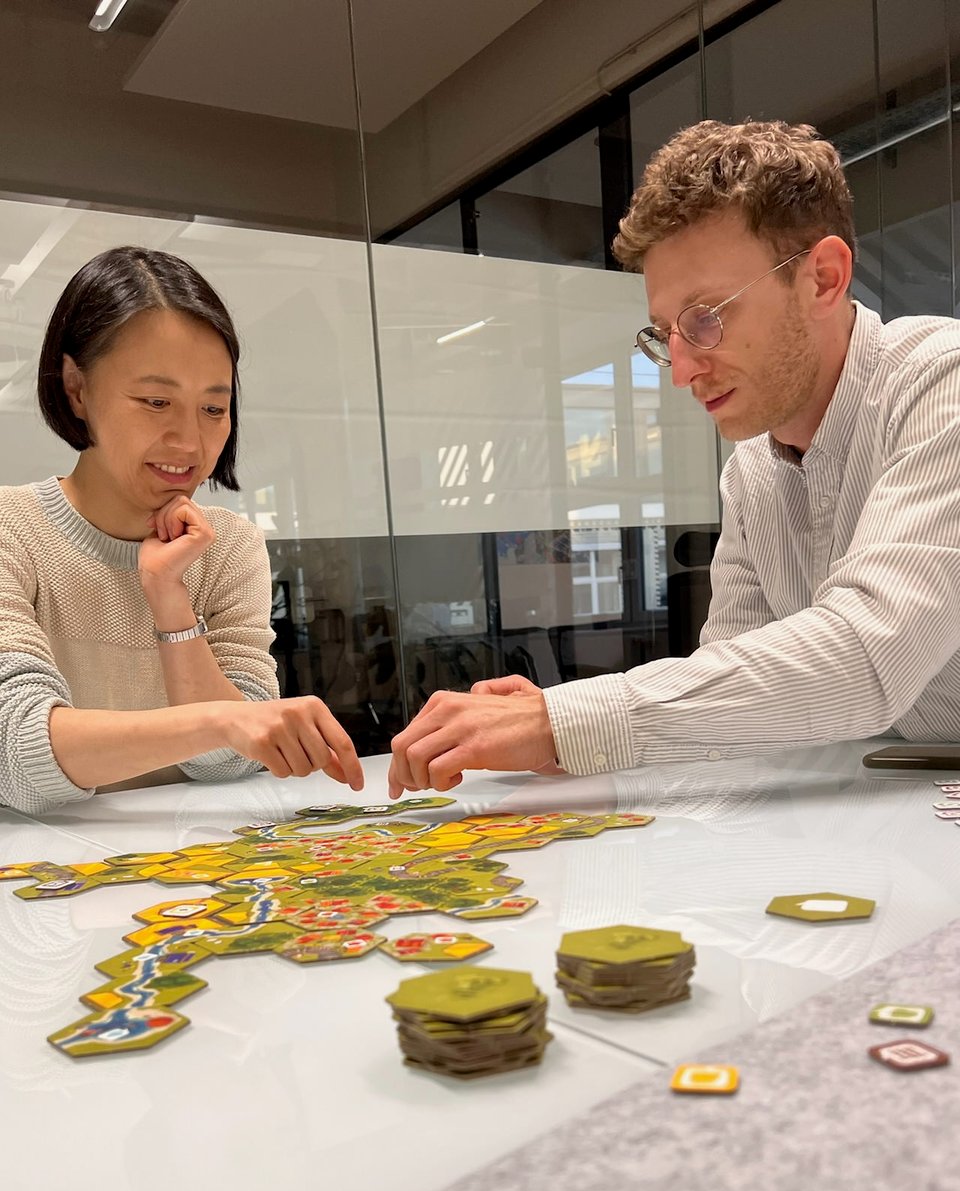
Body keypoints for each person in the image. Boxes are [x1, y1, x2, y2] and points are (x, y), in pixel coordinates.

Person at [387, 118, 960, 797]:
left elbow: (869, 653)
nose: (681, 371)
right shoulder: (751, 466)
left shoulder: (939, 382)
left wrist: (566, 720)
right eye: (664, 335)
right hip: (902, 806)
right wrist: (557, 735)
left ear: (824, 279)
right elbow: (733, 691)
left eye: (706, 318)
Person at [0, 245, 362, 815]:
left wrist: (171, 602)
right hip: (39, 887)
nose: (190, 444)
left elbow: (232, 762)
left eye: (214, 410)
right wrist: (223, 717)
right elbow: (19, 756)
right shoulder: (11, 530)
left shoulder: (226, 545)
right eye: (156, 401)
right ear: (77, 388)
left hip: (187, 882)